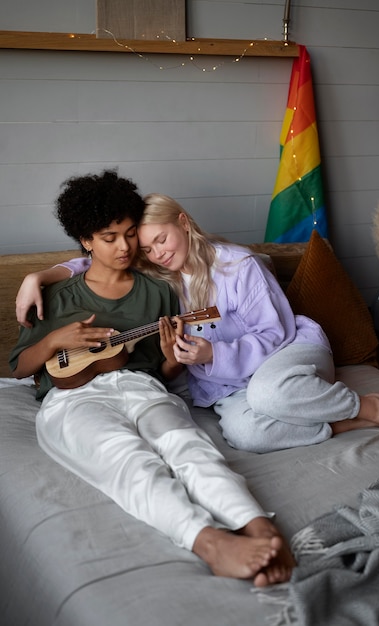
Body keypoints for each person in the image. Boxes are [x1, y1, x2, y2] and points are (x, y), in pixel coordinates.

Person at [10, 170, 295, 587]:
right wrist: (55, 337)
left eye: (129, 234)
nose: (124, 247)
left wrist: (172, 360)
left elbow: (163, 372)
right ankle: (211, 543)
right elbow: (20, 368)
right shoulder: (56, 295)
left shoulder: (158, 289)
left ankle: (258, 526)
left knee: (189, 445)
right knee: (128, 458)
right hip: (73, 398)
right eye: (109, 237)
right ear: (87, 240)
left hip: (142, 386)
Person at [15, 193, 379, 455]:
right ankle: (349, 420)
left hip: (288, 349)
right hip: (226, 380)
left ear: (184, 223)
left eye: (163, 239)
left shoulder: (238, 264)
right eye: (147, 246)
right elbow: (96, 260)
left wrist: (213, 352)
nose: (157, 253)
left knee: (268, 394)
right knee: (247, 435)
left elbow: (274, 332)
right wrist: (41, 276)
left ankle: (372, 405)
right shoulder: (157, 275)